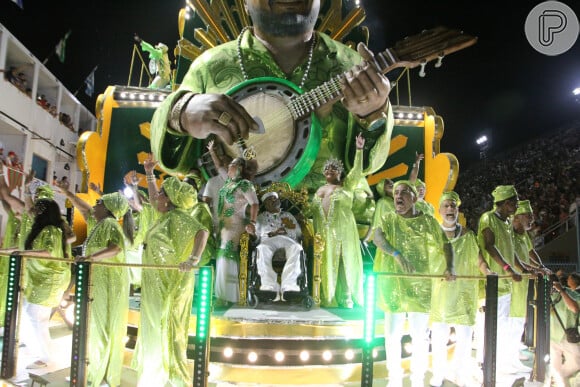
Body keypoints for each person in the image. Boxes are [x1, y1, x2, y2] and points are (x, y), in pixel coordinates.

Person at [149, 0, 393, 207]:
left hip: (326, 226)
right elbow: (173, 158)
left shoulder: (353, 66)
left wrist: (373, 115)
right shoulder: (210, 65)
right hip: (230, 219)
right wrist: (181, 112)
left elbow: (365, 166)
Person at [372, 180, 454, 387]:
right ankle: (394, 380)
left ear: (415, 198)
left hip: (421, 286)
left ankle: (417, 380)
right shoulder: (388, 219)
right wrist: (396, 254)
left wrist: (449, 267)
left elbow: (446, 244)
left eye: (404, 193)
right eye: (396, 193)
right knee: (392, 335)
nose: (398, 196)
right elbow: (377, 237)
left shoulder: (427, 221)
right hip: (394, 285)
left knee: (419, 336)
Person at [133, 176, 209, 386]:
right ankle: (156, 374)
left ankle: (173, 378)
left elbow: (202, 232)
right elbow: (152, 196)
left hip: (169, 284)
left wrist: (192, 259)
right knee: (155, 325)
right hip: (154, 283)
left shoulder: (177, 216)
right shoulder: (164, 216)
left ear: (169, 200)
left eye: (162, 193)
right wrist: (148, 174)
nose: (157, 196)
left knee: (167, 327)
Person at [429, 191, 494, 387]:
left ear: (458, 210)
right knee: (439, 339)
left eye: (453, 206)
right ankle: (438, 375)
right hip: (439, 296)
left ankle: (459, 374)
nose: (450, 209)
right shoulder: (432, 234)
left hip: (464, 295)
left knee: (465, 338)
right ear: (439, 210)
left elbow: (479, 259)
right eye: (446, 206)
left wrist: (488, 272)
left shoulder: (468, 235)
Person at [0, 199, 71, 369]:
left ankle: (46, 358)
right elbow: (23, 247)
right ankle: (38, 350)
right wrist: (3, 251)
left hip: (48, 280)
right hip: (36, 280)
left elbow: (48, 252)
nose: (34, 211)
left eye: (38, 209)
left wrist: (21, 253)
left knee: (36, 318)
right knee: (28, 315)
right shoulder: (40, 230)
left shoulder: (53, 230)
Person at [73, 192, 134, 387]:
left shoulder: (110, 224)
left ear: (108, 208)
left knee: (103, 326)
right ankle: (96, 370)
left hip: (108, 282)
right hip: (98, 281)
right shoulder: (101, 225)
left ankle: (102, 374)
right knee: (97, 326)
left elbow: (115, 248)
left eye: (98, 202)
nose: (95, 205)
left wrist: (90, 258)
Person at [311, 134, 368, 308]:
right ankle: (326, 296)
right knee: (324, 262)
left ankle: (346, 295)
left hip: (343, 230)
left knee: (344, 261)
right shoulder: (320, 189)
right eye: (327, 169)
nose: (330, 171)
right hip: (324, 232)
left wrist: (359, 150)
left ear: (340, 173)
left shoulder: (347, 185)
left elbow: (357, 171)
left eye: (334, 169)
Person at [476, 185, 528, 375]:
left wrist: (523, 268)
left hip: (506, 284)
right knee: (487, 326)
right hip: (491, 283)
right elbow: (489, 246)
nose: (516, 205)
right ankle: (483, 364)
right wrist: (507, 268)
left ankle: (498, 363)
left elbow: (511, 250)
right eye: (514, 202)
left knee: (502, 327)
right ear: (506, 203)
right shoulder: (488, 218)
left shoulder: (506, 222)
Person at [215, 156, 259, 305]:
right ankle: (224, 295)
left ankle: (227, 297)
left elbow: (254, 204)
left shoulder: (245, 185)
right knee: (221, 255)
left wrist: (252, 222)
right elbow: (219, 166)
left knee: (226, 254)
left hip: (235, 226)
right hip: (222, 226)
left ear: (240, 167)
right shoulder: (228, 183)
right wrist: (213, 152)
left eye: (232, 165)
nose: (228, 167)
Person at [253, 191, 303, 299]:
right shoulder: (261, 217)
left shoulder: (288, 215)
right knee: (261, 248)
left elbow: (298, 232)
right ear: (265, 204)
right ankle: (269, 286)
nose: (273, 201)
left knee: (297, 248)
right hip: (268, 241)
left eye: (275, 199)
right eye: (270, 199)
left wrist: (286, 232)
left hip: (287, 239)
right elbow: (257, 235)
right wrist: (273, 233)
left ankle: (289, 286)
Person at [550, 278, 580, 387]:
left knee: (576, 362)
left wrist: (562, 291)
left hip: (568, 336)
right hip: (552, 336)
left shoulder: (572, 293)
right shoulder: (548, 296)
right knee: (554, 366)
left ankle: (558, 377)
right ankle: (558, 380)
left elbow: (574, 308)